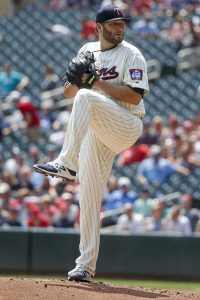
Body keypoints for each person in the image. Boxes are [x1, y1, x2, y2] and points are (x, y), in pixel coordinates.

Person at [33, 4, 149, 282]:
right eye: (114, 24)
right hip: (97, 130)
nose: (120, 28)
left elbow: (135, 97)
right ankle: (85, 266)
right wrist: (78, 78)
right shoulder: (87, 50)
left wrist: (94, 82)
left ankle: (66, 164)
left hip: (125, 123)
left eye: (122, 23)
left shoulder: (131, 54)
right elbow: (68, 92)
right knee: (89, 197)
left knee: (86, 97)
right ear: (99, 27)